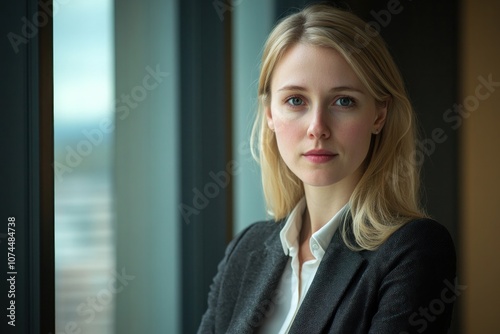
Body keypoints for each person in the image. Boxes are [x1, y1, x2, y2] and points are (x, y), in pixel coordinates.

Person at [198, 4, 456, 334]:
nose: (317, 127)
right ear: (269, 115)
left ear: (378, 115)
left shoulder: (414, 250)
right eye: (295, 100)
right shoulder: (245, 249)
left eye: (343, 101)